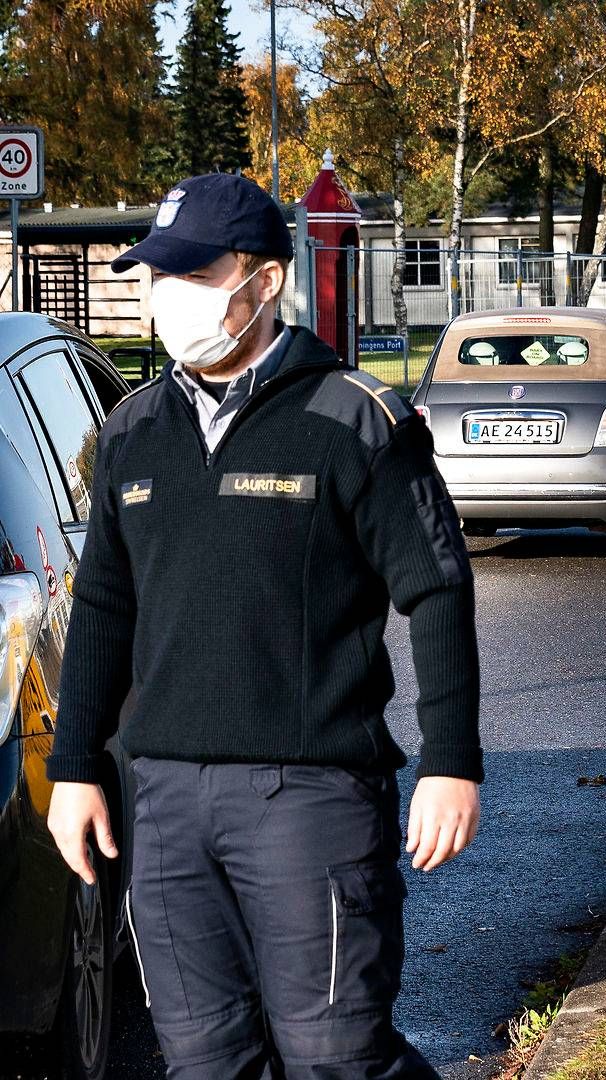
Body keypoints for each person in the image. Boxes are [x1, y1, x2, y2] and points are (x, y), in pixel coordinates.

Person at [44, 173, 482, 1079]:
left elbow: (436, 589)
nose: (170, 297)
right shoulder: (131, 430)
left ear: (267, 280)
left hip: (309, 798)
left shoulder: (355, 420)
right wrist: (77, 766)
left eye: (196, 274)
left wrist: (451, 762)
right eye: (157, 274)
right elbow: (102, 609)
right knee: (205, 1061)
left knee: (336, 1056)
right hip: (161, 802)